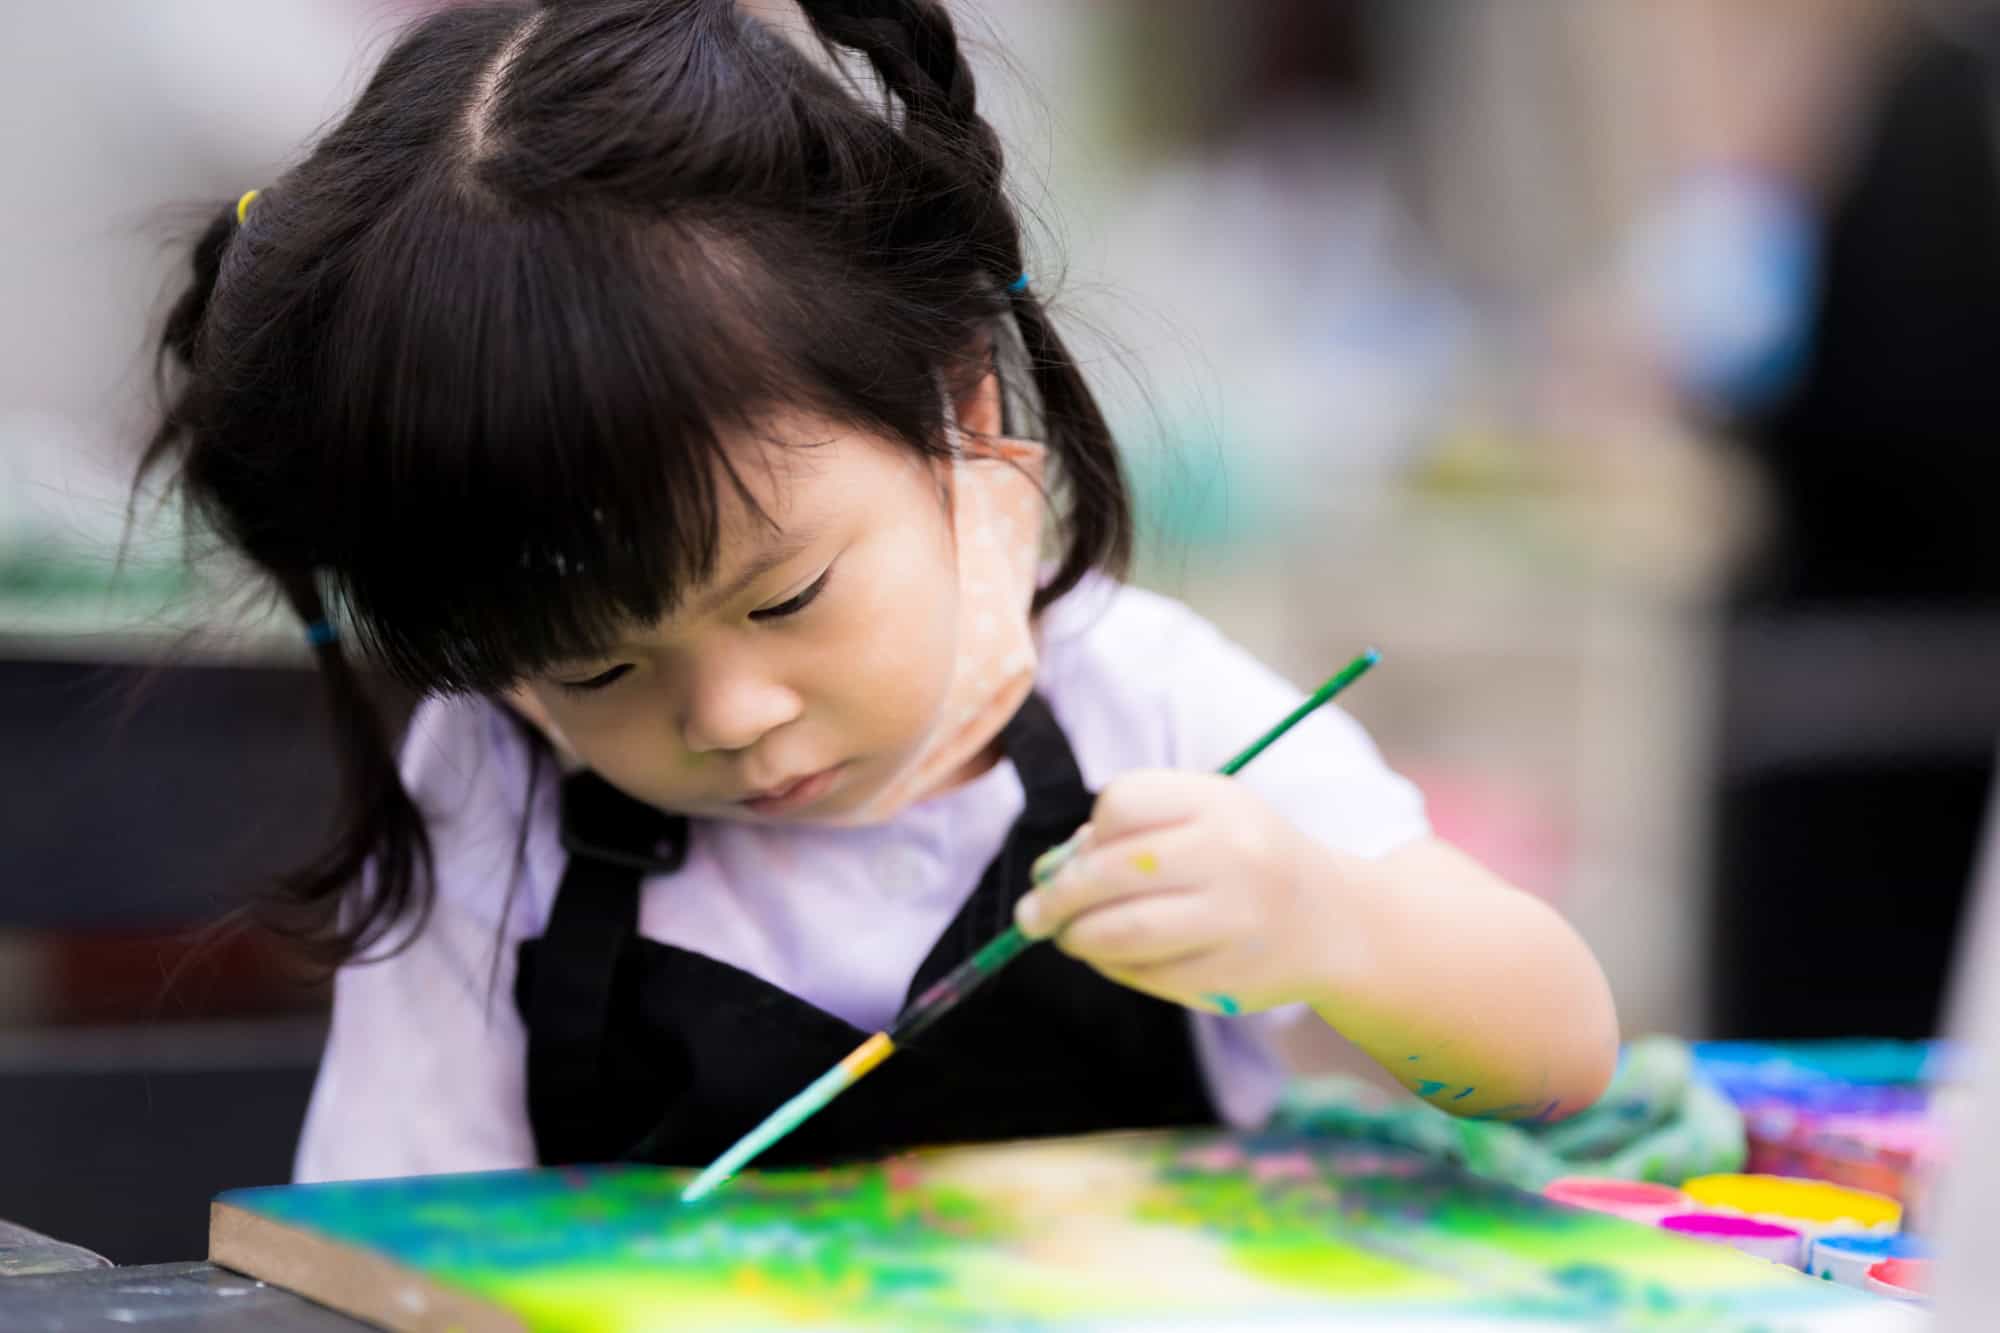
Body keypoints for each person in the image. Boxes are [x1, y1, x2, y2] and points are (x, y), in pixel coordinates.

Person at [137, 0, 1616, 1182]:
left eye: (785, 599)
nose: (729, 711)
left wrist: (1329, 923)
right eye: (592, 668)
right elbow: (391, 1236)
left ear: (963, 414)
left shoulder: (1135, 696)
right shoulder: (495, 785)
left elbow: (1562, 1053)